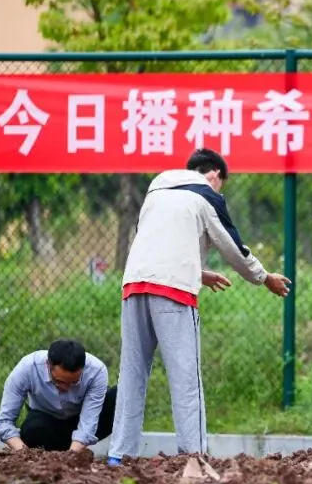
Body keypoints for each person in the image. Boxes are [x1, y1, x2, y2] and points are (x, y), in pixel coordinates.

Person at [108, 148, 291, 466]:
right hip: (173, 293)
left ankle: (119, 453)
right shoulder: (207, 195)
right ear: (216, 175)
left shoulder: (159, 186)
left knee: (132, 373)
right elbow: (234, 248)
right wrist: (265, 278)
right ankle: (194, 455)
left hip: (134, 284)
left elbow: (157, 239)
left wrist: (199, 272)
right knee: (186, 378)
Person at [0, 339, 115, 453]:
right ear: (48, 365)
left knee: (119, 397)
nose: (66, 388)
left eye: (74, 382)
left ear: (83, 369)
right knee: (33, 428)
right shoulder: (28, 368)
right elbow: (4, 421)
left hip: (82, 421)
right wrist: (23, 452)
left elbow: (88, 424)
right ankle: (46, 451)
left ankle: (123, 454)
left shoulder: (96, 371)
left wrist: (71, 456)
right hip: (47, 425)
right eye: (59, 381)